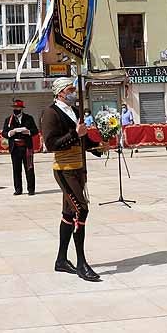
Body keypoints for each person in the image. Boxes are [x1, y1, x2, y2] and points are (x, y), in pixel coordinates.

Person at [41, 77, 104, 283]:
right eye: (70, 90)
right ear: (60, 93)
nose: (73, 93)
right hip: (64, 169)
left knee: (68, 213)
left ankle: (61, 260)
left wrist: (98, 147)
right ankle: (81, 262)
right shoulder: (51, 113)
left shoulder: (74, 111)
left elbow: (83, 139)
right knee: (81, 209)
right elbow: (51, 144)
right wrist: (73, 134)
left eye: (74, 89)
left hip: (79, 167)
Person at [2, 99, 39, 196]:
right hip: (15, 148)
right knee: (16, 169)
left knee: (29, 168)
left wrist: (28, 132)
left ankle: (31, 189)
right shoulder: (8, 120)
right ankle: (18, 189)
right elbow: (4, 133)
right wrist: (11, 133)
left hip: (27, 147)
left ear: (21, 109)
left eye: (17, 107)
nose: (16, 109)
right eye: (14, 108)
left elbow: (35, 130)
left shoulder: (29, 118)